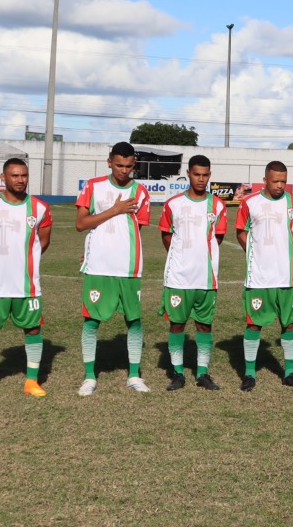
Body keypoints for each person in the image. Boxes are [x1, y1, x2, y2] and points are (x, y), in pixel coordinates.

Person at [0, 157, 53, 400]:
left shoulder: (40, 208)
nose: (20, 180)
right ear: (3, 178)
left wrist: (26, 261)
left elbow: (43, 242)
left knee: (33, 329)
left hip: (27, 283)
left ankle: (31, 381)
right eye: (14, 175)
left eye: (24, 175)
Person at [75, 142, 153, 395]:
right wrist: (115, 209)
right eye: (119, 165)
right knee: (92, 319)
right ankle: (89, 377)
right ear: (109, 162)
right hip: (98, 266)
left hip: (129, 268)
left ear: (135, 165)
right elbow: (81, 224)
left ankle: (133, 375)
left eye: (129, 166)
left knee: (134, 320)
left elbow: (135, 231)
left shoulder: (141, 193)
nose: (124, 170)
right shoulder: (93, 186)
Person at [158, 154, 228, 390]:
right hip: (178, 276)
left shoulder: (217, 205)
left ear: (210, 175)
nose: (201, 179)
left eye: (205, 175)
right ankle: (178, 373)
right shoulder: (173, 204)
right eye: (196, 174)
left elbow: (218, 238)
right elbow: (166, 235)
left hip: (206, 278)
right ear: (188, 173)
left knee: (204, 325)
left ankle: (202, 373)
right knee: (177, 325)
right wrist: (181, 256)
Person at [235, 160, 293, 391]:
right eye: (275, 181)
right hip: (259, 278)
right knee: (254, 324)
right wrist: (258, 254)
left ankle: (289, 372)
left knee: (290, 324)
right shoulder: (249, 202)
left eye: (283, 181)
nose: (279, 185)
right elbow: (241, 233)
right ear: (265, 180)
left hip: (287, 277)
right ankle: (249, 374)